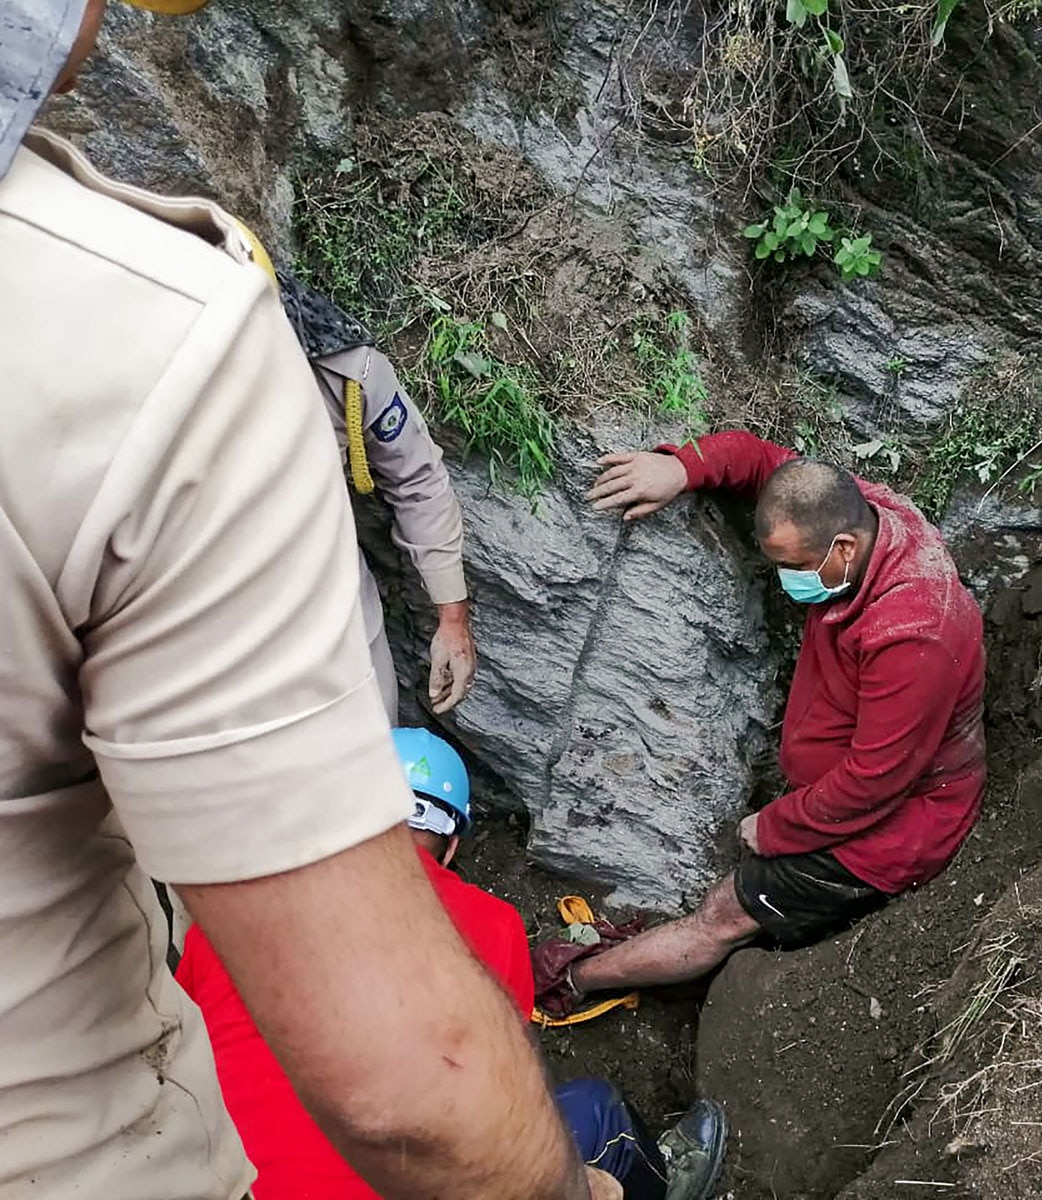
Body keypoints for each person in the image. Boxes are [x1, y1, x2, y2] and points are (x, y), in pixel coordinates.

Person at [0, 4, 609, 1198]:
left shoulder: (341, 379)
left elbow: (420, 481)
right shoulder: (148, 346)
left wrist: (449, 613)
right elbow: (417, 1091)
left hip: (269, 599)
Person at [178, 727, 729, 1200]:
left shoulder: (226, 927)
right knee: (596, 1113)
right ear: (449, 847)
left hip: (216, 1178)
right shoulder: (490, 926)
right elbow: (498, 1081)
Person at [539, 431, 986, 1007]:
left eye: (793, 565)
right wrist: (682, 469)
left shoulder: (914, 635)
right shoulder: (864, 516)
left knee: (723, 915)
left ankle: (572, 981)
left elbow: (877, 782)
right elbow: (761, 461)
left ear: (844, 548)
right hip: (846, 786)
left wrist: (775, 827)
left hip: (896, 828)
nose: (785, 579)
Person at [278, 272, 477, 719]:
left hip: (334, 600)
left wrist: (451, 616)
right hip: (205, 615)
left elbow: (417, 480)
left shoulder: (341, 365)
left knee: (375, 742)